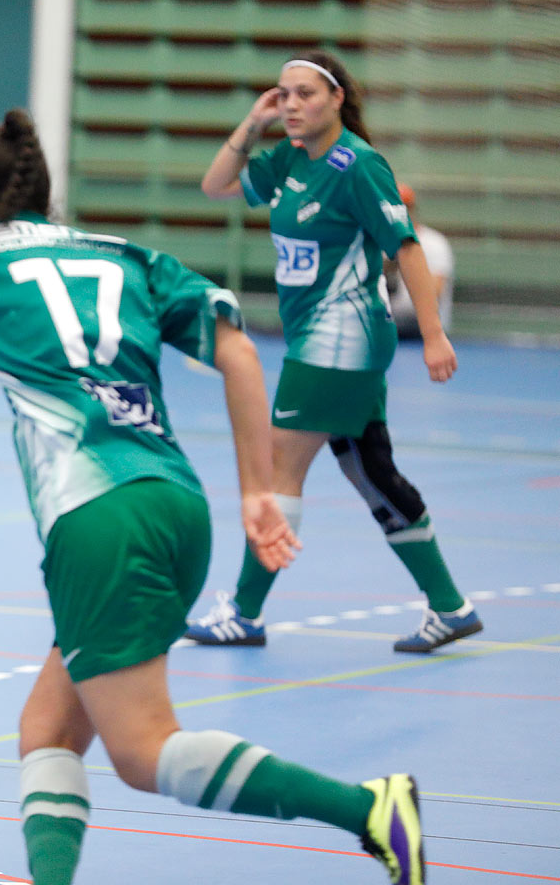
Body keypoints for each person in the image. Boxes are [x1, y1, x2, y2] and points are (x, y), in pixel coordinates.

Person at [0, 108, 425, 885]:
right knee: (46, 728)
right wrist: (257, 490)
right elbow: (240, 352)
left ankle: (368, 809)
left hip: (98, 522)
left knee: (145, 752)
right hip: (176, 505)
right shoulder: (127, 256)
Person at [187, 51, 481, 653]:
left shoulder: (358, 166)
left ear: (338, 98)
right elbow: (215, 185)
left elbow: (407, 247)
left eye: (305, 94)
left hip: (339, 339)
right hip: (318, 338)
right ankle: (451, 607)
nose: (292, 104)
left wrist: (432, 335)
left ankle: (244, 612)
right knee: (370, 471)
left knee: (278, 473)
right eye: (283, 95)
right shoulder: (290, 160)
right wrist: (253, 122)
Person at [385, 184, 454, 339]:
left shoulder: (433, 243)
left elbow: (435, 293)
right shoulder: (381, 243)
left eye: (404, 208)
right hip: (390, 322)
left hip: (420, 325)